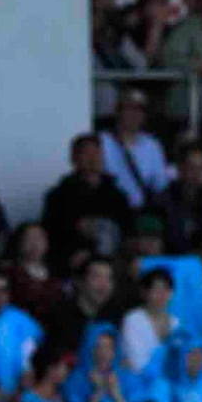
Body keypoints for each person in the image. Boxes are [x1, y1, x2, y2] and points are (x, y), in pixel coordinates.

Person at [40, 133, 132, 273]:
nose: (93, 158)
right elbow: (52, 234)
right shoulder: (58, 197)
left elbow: (125, 232)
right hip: (72, 267)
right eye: (87, 153)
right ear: (74, 158)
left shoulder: (117, 196)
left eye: (97, 153)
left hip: (110, 266)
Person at [101, 89, 169, 209]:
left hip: (141, 213)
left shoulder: (152, 145)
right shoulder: (102, 142)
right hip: (110, 210)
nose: (135, 114)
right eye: (130, 108)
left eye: (140, 109)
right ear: (118, 111)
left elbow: (160, 185)